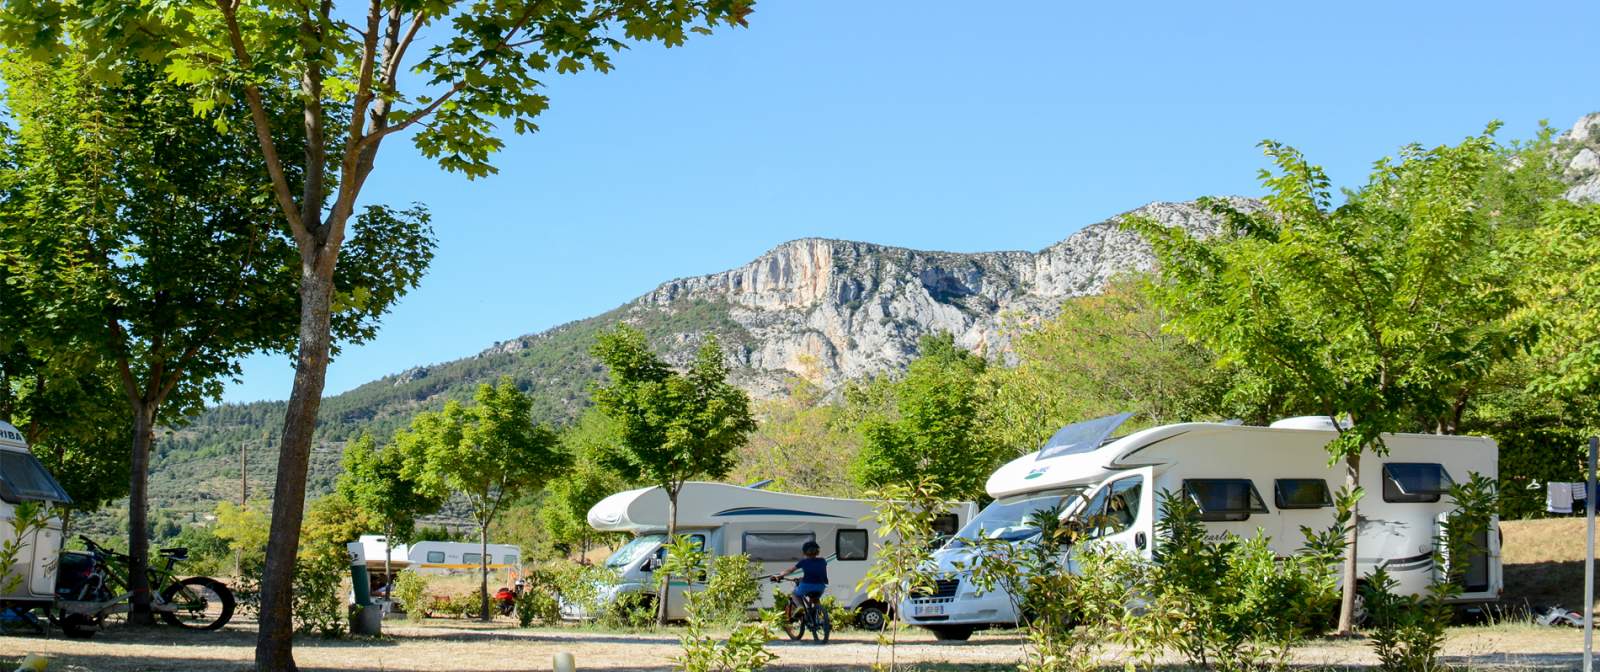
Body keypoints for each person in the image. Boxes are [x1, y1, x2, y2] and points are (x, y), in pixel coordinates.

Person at [773, 541, 828, 606]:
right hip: (820, 586)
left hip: (806, 586)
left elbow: (790, 570)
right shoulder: (822, 560)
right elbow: (815, 572)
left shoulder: (803, 562)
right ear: (817, 551)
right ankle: (819, 612)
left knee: (794, 594)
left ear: (804, 552)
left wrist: (780, 575)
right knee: (815, 598)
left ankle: (800, 608)